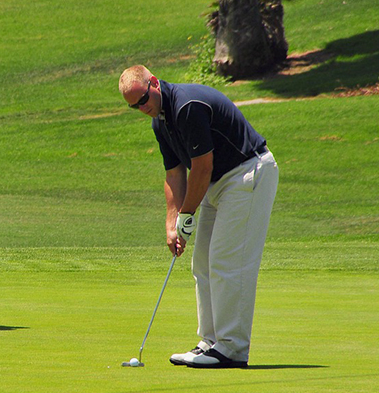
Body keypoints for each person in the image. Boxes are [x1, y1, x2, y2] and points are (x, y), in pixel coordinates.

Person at [119, 65, 279, 368]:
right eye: (133, 106)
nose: (142, 108)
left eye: (142, 99)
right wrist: (172, 224)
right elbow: (174, 174)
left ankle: (231, 348)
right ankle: (210, 342)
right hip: (218, 183)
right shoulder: (160, 122)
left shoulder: (187, 106)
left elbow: (202, 166)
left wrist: (187, 214)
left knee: (226, 261)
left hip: (247, 173)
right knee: (202, 262)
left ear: (153, 82)